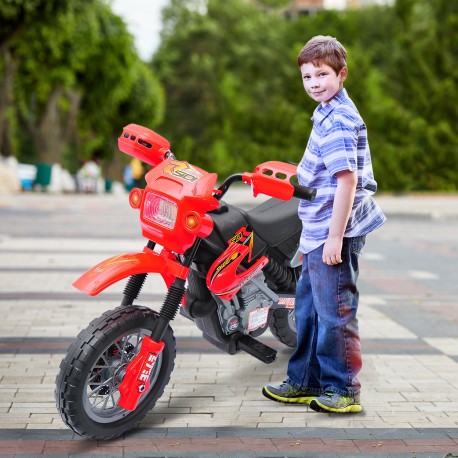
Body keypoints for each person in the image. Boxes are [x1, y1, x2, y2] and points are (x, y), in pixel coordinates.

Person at [262, 36, 386, 413]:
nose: (314, 83)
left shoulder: (339, 123)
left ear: (341, 74)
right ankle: (304, 381)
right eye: (307, 76)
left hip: (335, 232)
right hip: (318, 229)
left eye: (322, 74)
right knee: (309, 310)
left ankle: (343, 389)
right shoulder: (328, 110)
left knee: (334, 313)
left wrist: (335, 238)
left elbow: (347, 182)